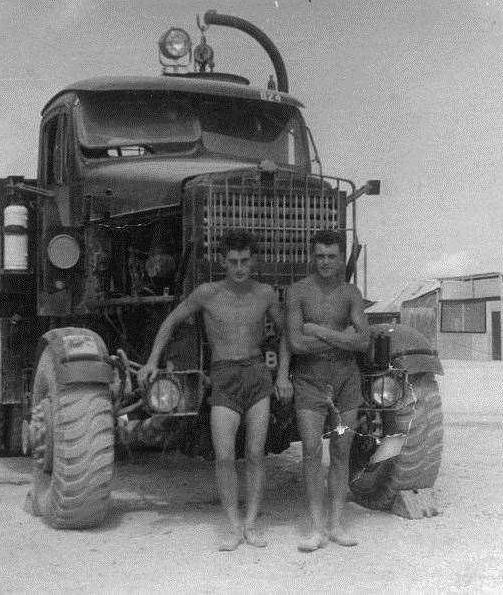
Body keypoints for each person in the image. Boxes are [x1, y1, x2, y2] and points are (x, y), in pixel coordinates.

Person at [138, 229, 292, 551]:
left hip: (256, 375)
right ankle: (233, 527)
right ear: (223, 261)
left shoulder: (265, 294)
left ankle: (251, 524)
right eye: (233, 261)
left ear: (254, 261)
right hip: (223, 376)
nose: (239, 268)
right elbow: (169, 323)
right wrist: (153, 360)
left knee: (254, 454)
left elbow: (285, 334)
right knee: (224, 457)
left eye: (245, 261)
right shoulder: (206, 293)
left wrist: (283, 376)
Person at [285, 229, 370, 552]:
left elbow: (363, 341)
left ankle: (336, 525)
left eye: (332, 256)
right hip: (309, 383)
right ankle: (316, 528)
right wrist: (341, 336)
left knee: (341, 451)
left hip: (347, 384)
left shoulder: (351, 294)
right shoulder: (298, 292)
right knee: (310, 451)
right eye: (320, 256)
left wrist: (317, 330)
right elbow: (295, 342)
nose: (325, 262)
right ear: (312, 256)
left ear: (340, 256)